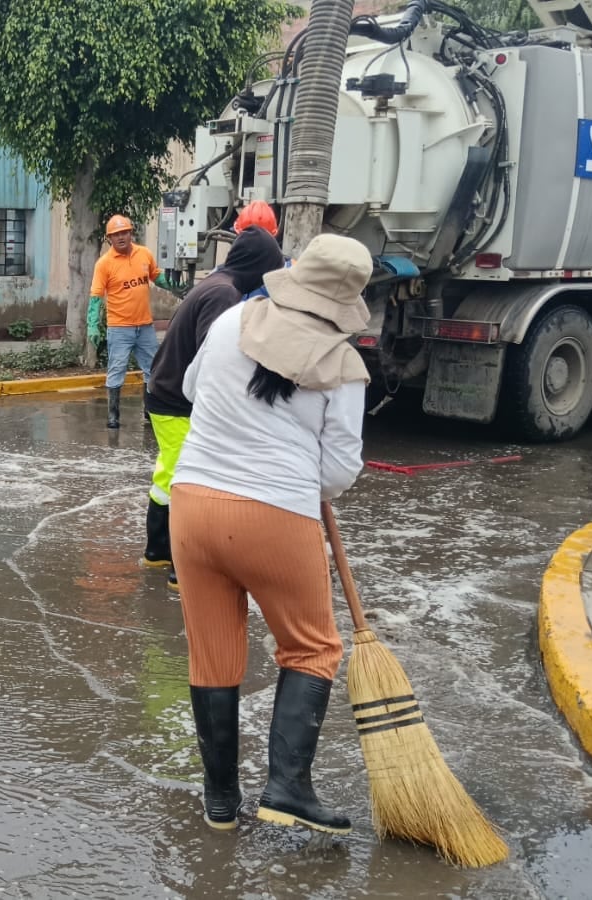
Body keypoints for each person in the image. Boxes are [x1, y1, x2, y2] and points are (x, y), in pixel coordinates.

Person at [171, 233, 371, 835]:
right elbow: (337, 472)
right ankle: (286, 787)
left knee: (214, 653)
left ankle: (221, 803)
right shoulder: (344, 366)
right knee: (312, 648)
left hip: (193, 505)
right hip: (275, 516)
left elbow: (189, 390)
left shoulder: (232, 319)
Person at [141, 227, 285, 593]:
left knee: (169, 473)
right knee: (189, 481)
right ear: (258, 266)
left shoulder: (217, 284)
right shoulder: (225, 294)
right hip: (178, 399)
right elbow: (213, 358)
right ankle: (180, 567)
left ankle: (158, 550)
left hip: (166, 392)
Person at [89, 215, 174, 428]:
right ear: (109, 239)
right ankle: (113, 415)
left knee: (153, 369)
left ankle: (149, 410)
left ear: (131, 233)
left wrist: (176, 286)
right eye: (116, 234)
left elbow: (156, 276)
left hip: (145, 326)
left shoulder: (144, 254)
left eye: (124, 232)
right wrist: (92, 324)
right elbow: (96, 296)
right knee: (117, 370)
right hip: (119, 328)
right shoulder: (104, 264)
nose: (121, 237)